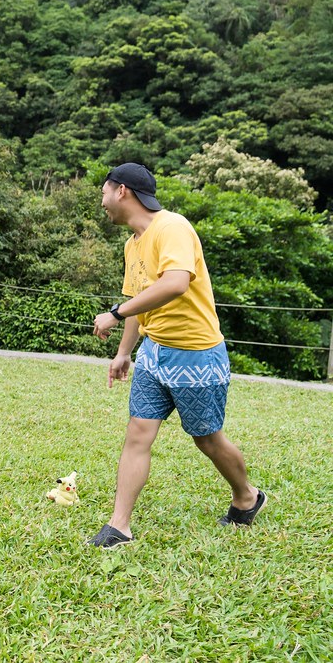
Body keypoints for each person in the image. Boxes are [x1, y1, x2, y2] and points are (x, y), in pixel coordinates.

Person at [87, 163, 265, 549]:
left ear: (122, 191)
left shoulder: (172, 228)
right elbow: (139, 303)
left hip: (197, 354)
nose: (101, 202)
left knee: (207, 439)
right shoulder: (132, 243)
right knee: (138, 433)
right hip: (154, 354)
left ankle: (248, 496)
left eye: (103, 192)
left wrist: (114, 313)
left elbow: (176, 282)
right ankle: (120, 526)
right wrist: (124, 353)